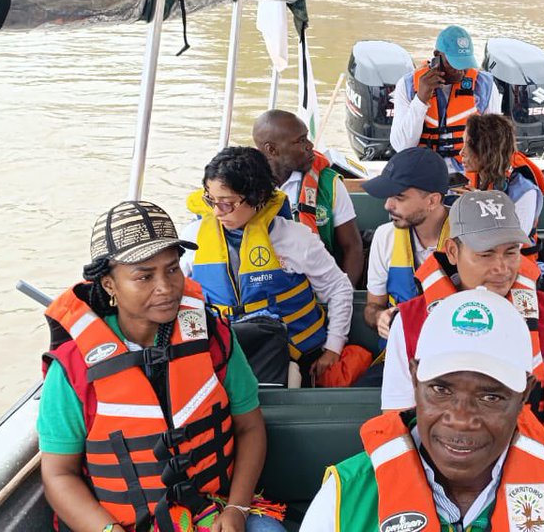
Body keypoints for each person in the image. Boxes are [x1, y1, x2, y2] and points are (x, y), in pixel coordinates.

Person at [39, 200, 286, 532]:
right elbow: (58, 473)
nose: (166, 287)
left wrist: (238, 510)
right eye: (144, 276)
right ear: (110, 284)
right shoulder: (72, 369)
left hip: (216, 510)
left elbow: (250, 427)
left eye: (172, 269)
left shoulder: (212, 337)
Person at [299, 288, 544, 532]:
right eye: (441, 389)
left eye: (491, 397)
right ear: (415, 379)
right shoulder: (344, 500)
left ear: (524, 393)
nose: (461, 417)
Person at [381, 190, 544, 452]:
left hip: (530, 468)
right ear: (453, 251)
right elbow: (397, 424)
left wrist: (519, 482)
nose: (502, 267)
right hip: (439, 467)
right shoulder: (409, 323)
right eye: (486, 254)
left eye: (511, 252)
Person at [180, 146, 354, 386]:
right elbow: (179, 296)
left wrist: (333, 348)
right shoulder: (193, 238)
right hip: (225, 353)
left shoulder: (295, 238)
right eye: (211, 200)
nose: (217, 212)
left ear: (258, 196)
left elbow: (338, 288)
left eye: (228, 203)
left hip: (292, 353)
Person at [253, 110, 364, 286]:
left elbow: (353, 248)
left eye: (307, 137)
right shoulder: (246, 186)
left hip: (318, 287)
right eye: (301, 140)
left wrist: (341, 295)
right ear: (272, 150)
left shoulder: (330, 183)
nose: (310, 145)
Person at [361, 147, 452, 342]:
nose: (387, 205)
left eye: (399, 197)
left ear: (432, 201)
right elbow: (372, 307)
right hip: (399, 351)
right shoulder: (384, 237)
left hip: (453, 356)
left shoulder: (467, 238)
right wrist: (379, 318)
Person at [389, 25, 502, 169]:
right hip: (421, 173)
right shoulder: (407, 85)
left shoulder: (485, 86)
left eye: (465, 64)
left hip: (467, 175)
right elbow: (402, 146)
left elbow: (495, 145)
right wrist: (420, 100)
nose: (460, 71)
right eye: (453, 64)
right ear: (437, 56)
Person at [459, 112, 544, 243]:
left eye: (468, 145)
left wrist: (481, 204)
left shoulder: (524, 191)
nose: (461, 152)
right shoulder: (477, 176)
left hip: (514, 260)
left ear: (487, 151)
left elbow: (513, 245)